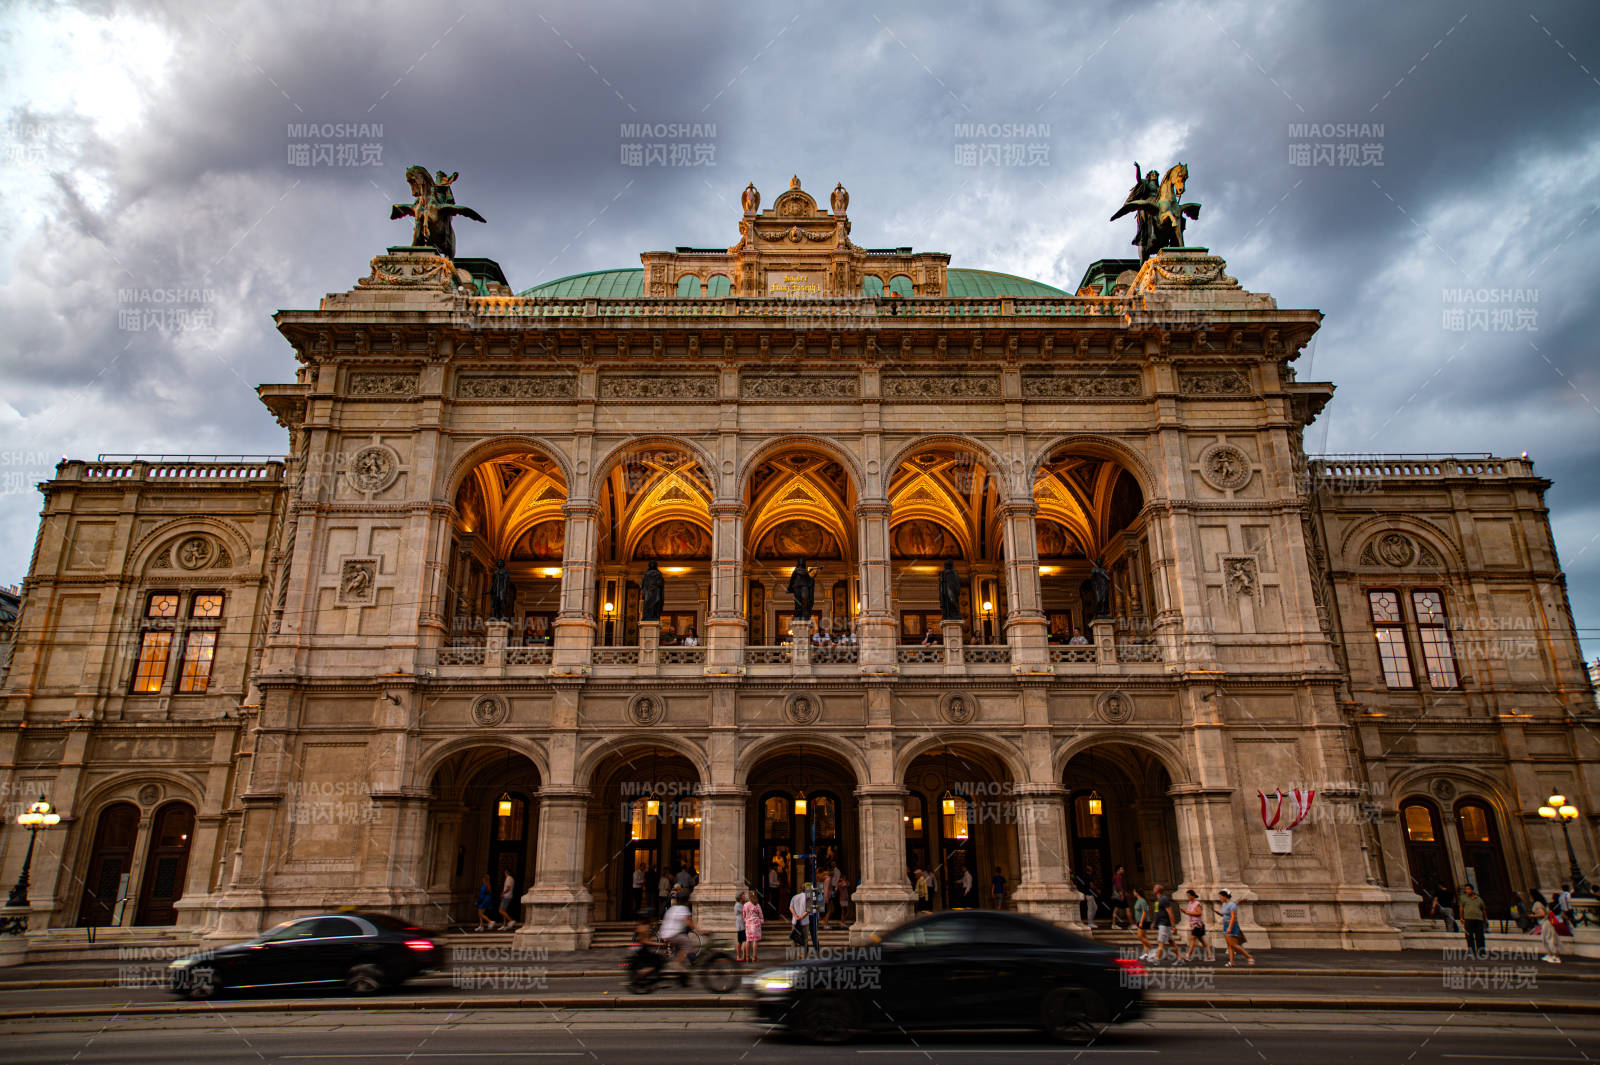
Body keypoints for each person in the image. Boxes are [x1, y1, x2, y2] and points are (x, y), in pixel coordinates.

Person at [658, 892, 698, 982]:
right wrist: (700, 931)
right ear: (686, 901)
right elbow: (688, 922)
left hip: (666, 933)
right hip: (673, 934)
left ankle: (681, 972)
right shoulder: (683, 909)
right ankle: (676, 963)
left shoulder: (672, 908)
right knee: (688, 944)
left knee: (681, 947)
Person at [1217, 889, 1255, 967]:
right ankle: (1231, 962)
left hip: (1232, 925)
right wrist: (1220, 914)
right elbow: (1226, 914)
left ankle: (1249, 956)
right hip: (1226, 924)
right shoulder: (1225, 904)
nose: (1219, 898)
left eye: (1220, 896)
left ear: (1225, 896)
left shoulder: (1232, 905)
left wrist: (1229, 927)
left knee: (1233, 944)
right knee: (1230, 945)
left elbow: (1233, 917)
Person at [1180, 888, 1213, 963]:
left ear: (1192, 896)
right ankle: (1210, 955)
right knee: (1202, 941)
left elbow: (1199, 913)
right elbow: (1190, 913)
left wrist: (1187, 912)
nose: (1187, 897)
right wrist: (1185, 912)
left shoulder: (1197, 903)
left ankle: (1188, 955)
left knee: (1192, 939)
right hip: (1193, 924)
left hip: (1197, 924)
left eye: (1188, 896)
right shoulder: (1190, 903)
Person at [1458, 883, 1487, 958]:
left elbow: (1483, 909)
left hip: (1478, 918)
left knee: (1479, 936)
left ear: (1472, 890)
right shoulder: (1463, 898)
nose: (1467, 891)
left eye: (1468, 889)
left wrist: (1485, 919)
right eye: (1466, 889)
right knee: (1469, 935)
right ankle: (1471, 950)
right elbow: (1461, 908)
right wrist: (1461, 917)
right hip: (1468, 918)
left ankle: (1481, 951)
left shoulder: (1478, 898)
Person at [1149, 883, 1176, 963]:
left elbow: (1170, 912)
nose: (1153, 888)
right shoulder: (1157, 901)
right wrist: (1154, 923)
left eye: (1155, 887)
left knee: (1161, 942)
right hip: (1161, 924)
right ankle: (1179, 957)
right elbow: (1157, 913)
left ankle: (1157, 958)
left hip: (1164, 924)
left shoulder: (1164, 899)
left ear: (1158, 890)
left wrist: (1173, 925)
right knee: (1171, 942)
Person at [1532, 893, 1561, 964]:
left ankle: (1555, 956)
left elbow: (1543, 914)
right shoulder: (1541, 903)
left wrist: (1532, 916)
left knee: (1549, 939)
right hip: (1544, 923)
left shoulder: (1537, 904)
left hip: (1545, 923)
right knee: (1545, 939)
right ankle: (1550, 954)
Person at [790, 881, 819, 953]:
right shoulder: (808, 898)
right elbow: (808, 910)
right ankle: (804, 954)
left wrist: (795, 916)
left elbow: (790, 907)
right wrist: (801, 917)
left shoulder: (794, 897)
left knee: (794, 937)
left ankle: (793, 953)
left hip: (795, 921)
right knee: (805, 939)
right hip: (805, 922)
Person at [742, 890, 765, 963]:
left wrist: (746, 921)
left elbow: (744, 915)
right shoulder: (757, 905)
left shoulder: (745, 905)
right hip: (756, 924)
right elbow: (760, 914)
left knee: (748, 940)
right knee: (755, 941)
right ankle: (754, 957)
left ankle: (747, 957)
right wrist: (761, 921)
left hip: (748, 924)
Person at [1132, 888, 1152, 959]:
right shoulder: (1138, 900)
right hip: (1139, 921)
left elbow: (1145, 911)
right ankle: (1147, 953)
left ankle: (1152, 950)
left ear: (1137, 892)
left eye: (1134, 891)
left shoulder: (1142, 901)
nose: (1133, 893)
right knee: (1144, 937)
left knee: (1140, 936)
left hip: (1143, 921)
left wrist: (1141, 921)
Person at [735, 891, 749, 962]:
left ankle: (739, 956)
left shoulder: (738, 904)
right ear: (740, 898)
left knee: (740, 940)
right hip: (741, 925)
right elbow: (745, 912)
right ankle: (743, 956)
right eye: (743, 896)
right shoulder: (739, 905)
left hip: (739, 924)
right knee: (744, 940)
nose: (745, 897)